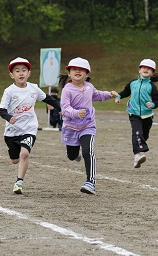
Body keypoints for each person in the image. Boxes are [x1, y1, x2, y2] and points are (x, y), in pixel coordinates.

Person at [0, 57, 61, 194]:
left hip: (29, 128)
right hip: (11, 131)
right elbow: (1, 110)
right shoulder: (9, 91)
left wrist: (61, 109)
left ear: (29, 73)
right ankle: (17, 165)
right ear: (11, 75)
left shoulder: (34, 89)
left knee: (25, 153)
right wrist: (9, 118)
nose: (21, 73)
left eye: (24, 70)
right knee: (15, 160)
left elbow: (49, 99)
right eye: (17, 71)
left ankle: (19, 182)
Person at [60, 57, 118, 194]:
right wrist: (75, 113)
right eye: (74, 69)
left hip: (88, 126)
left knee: (88, 151)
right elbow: (65, 108)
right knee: (71, 155)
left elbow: (97, 95)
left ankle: (90, 182)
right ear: (69, 73)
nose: (78, 71)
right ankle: (75, 155)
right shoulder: (67, 90)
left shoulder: (89, 87)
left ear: (87, 74)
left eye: (82, 70)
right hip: (71, 127)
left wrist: (109, 94)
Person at [115, 59, 158, 168]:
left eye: (149, 68)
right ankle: (137, 156)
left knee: (143, 135)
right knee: (137, 132)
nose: (146, 69)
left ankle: (138, 151)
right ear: (139, 69)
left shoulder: (152, 86)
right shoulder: (133, 83)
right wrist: (118, 97)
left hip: (147, 115)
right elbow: (125, 92)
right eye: (143, 67)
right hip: (133, 113)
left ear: (152, 73)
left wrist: (153, 105)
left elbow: (157, 100)